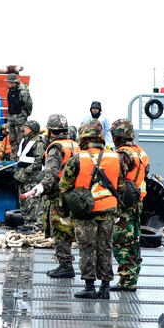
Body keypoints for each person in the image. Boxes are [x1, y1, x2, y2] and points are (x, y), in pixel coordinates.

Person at [59, 119, 122, 300]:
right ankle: (105, 287)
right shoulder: (114, 157)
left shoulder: (77, 159)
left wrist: (69, 207)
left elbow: (64, 186)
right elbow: (121, 186)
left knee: (87, 248)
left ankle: (89, 286)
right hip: (108, 210)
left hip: (86, 211)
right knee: (105, 248)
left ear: (83, 136)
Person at [21, 113, 79, 278]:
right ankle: (66, 264)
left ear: (52, 131)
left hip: (58, 195)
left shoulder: (56, 147)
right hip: (74, 193)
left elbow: (51, 174)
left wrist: (39, 188)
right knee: (68, 229)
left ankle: (65, 265)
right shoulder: (75, 144)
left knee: (60, 230)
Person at [110, 118, 149, 292]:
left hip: (124, 204)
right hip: (136, 202)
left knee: (122, 241)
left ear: (117, 136)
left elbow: (116, 178)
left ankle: (126, 281)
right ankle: (132, 278)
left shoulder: (123, 154)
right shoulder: (140, 152)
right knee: (134, 241)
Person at [14, 119, 46, 232]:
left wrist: (28, 170)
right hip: (21, 175)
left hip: (31, 176)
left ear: (33, 130)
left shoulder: (39, 143)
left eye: (27, 128)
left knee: (32, 200)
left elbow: (38, 160)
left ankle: (33, 223)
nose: (25, 129)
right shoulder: (24, 141)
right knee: (22, 199)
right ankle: (27, 221)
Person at [4, 72, 33, 160]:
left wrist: (25, 115)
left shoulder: (23, 92)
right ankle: (13, 158)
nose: (8, 84)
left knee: (21, 140)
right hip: (11, 119)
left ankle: (21, 157)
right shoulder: (9, 90)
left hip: (20, 120)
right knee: (12, 140)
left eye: (9, 82)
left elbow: (29, 104)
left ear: (14, 82)